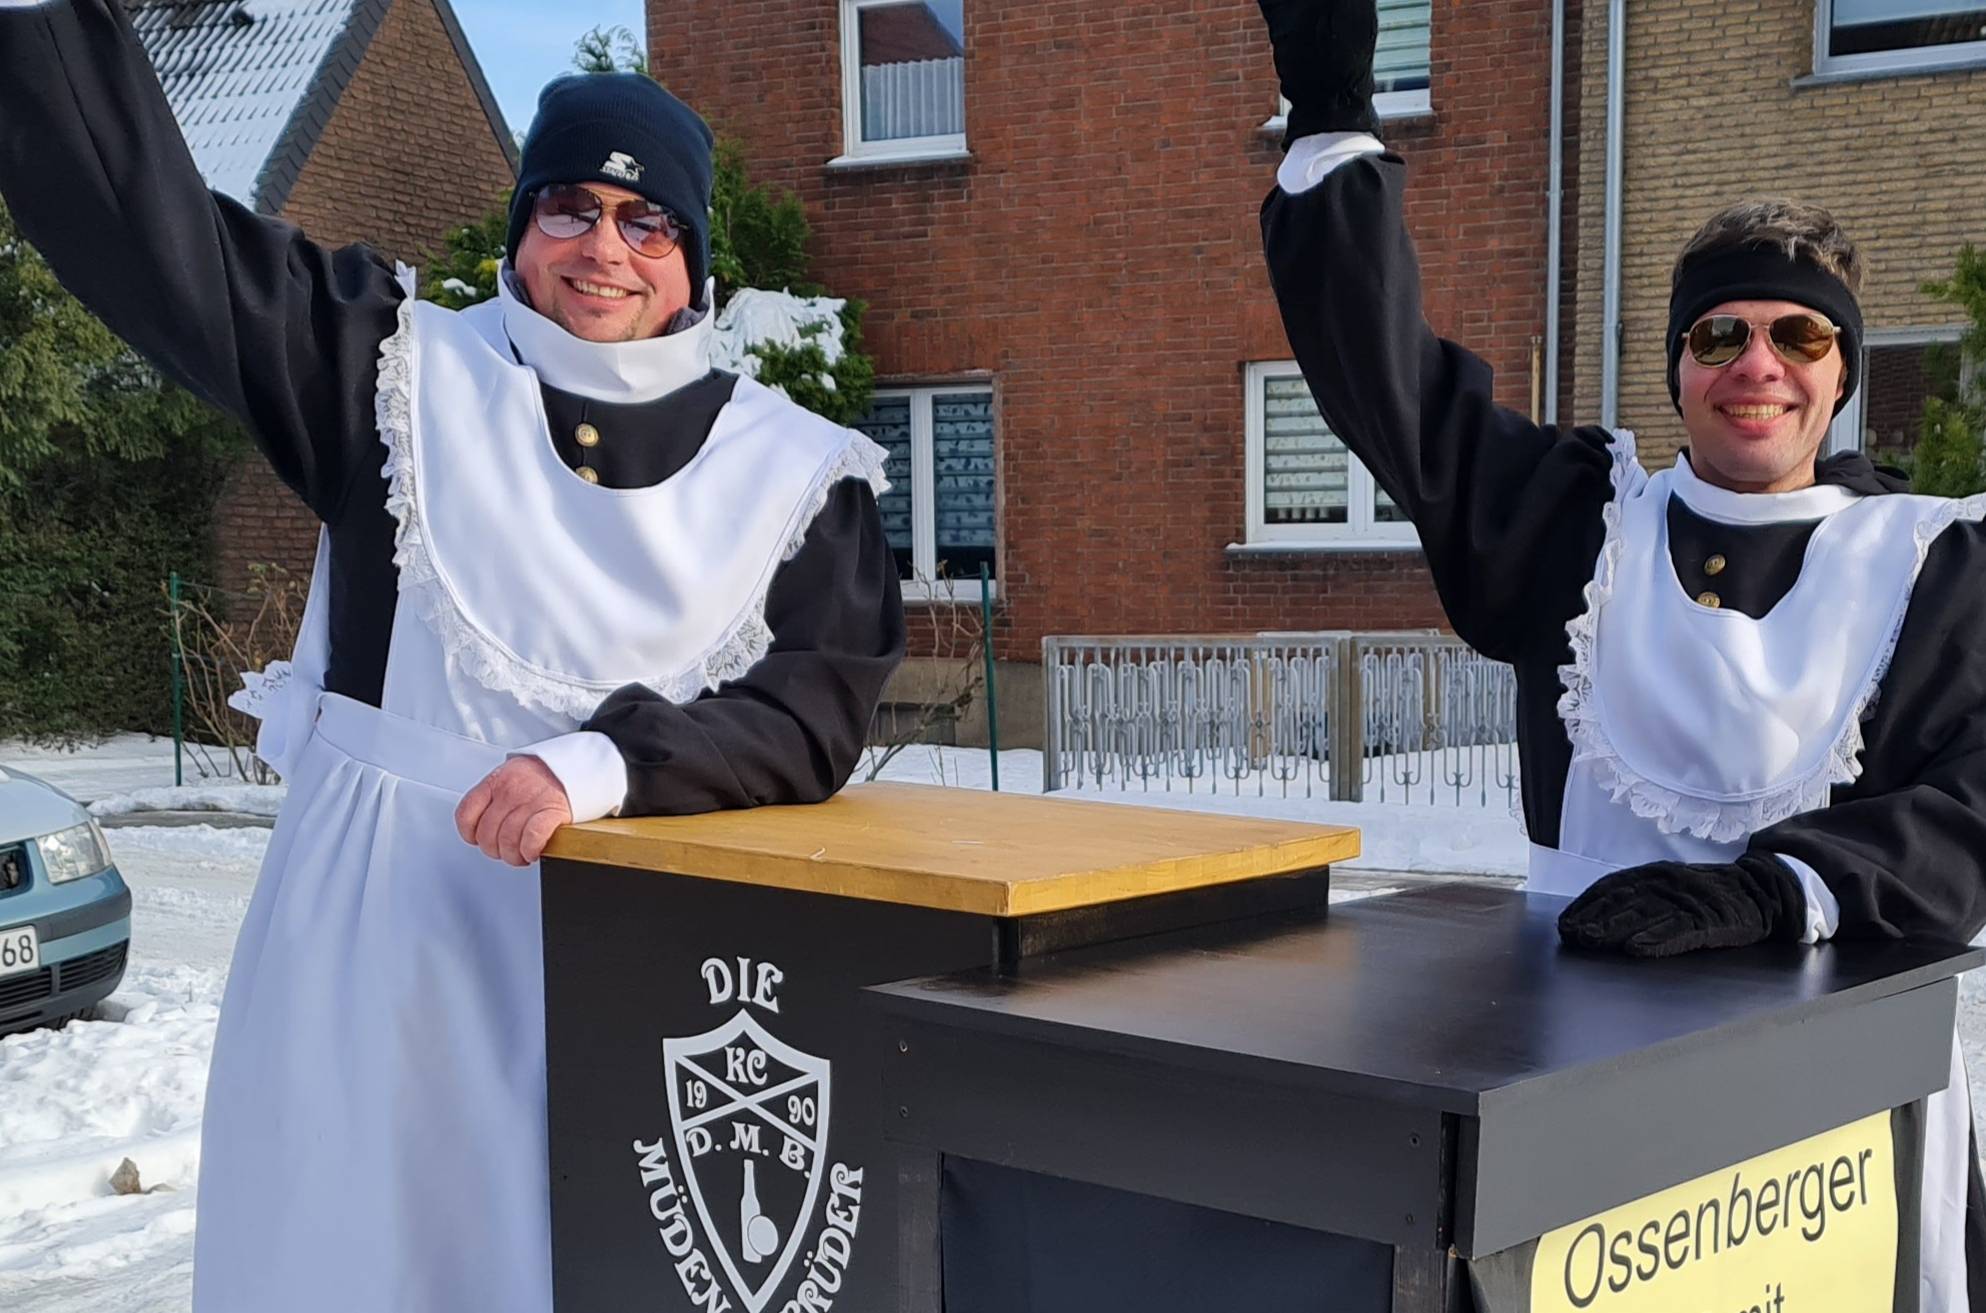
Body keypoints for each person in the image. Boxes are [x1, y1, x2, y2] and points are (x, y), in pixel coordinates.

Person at [0, 2, 905, 1308]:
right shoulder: (389, 372)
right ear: (520, 228)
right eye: (570, 208)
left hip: (626, 957)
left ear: (693, 263)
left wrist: (598, 765)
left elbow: (816, 708)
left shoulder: (796, 473)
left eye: (646, 221)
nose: (605, 248)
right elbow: (161, 241)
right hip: (374, 947)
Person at [1255, 1, 1986, 1306]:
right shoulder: (1572, 526)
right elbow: (1387, 381)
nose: (1753, 364)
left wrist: (1775, 892)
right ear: (1676, 366)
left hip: (1835, 1107)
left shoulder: (1935, 564)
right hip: (1580, 1084)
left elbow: (1973, 809)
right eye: (1718, 336)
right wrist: (1329, 112)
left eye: (1795, 335)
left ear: (1838, 372)